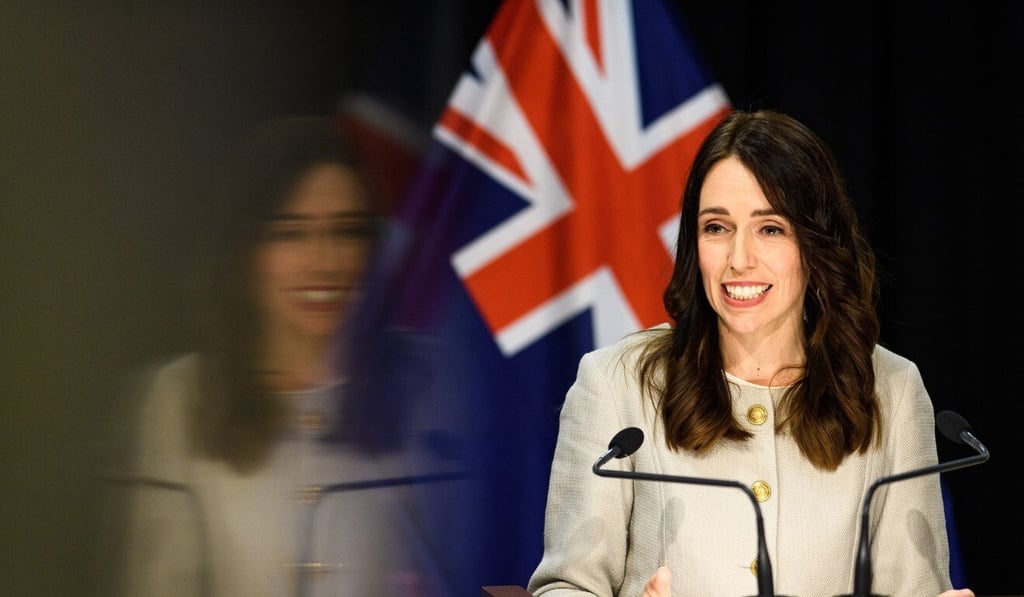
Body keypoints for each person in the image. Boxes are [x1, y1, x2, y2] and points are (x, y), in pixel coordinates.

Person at [526, 109, 974, 597]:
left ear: (816, 244)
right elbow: (564, 587)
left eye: (770, 229)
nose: (739, 259)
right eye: (717, 227)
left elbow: (914, 589)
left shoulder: (891, 389)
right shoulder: (617, 383)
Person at [116, 116, 456, 597]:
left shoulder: (427, 381)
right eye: (291, 233)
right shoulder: (177, 398)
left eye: (346, 232)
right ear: (246, 253)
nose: (324, 262)